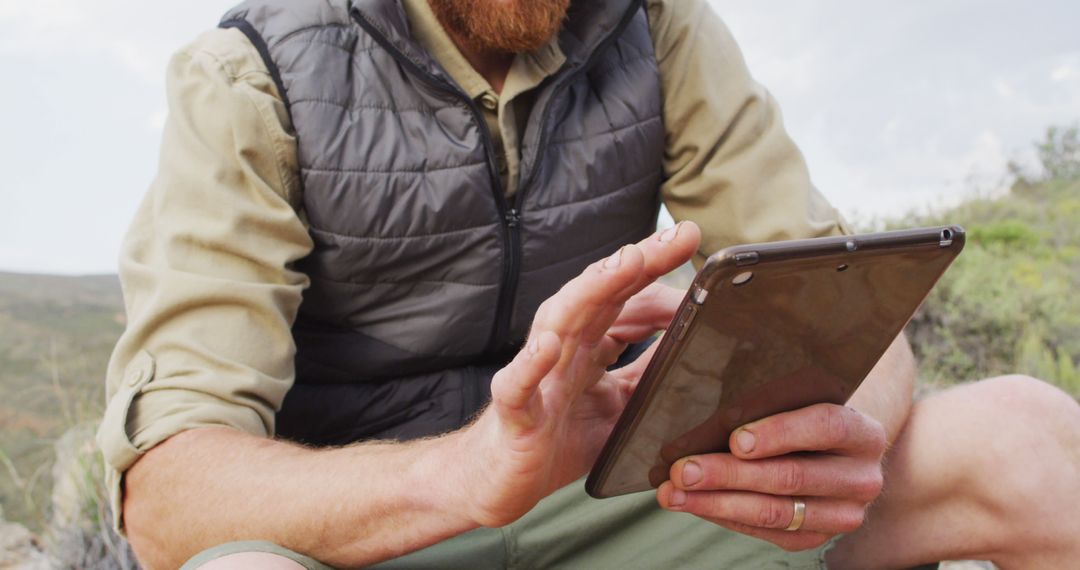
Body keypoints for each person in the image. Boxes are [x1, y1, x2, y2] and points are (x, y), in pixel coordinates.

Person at [98, 0, 1080, 568]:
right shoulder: (251, 75)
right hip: (364, 541)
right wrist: (468, 471)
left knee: (1027, 441)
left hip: (613, 498)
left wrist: (843, 429)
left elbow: (839, 297)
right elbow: (170, 495)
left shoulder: (656, 27)